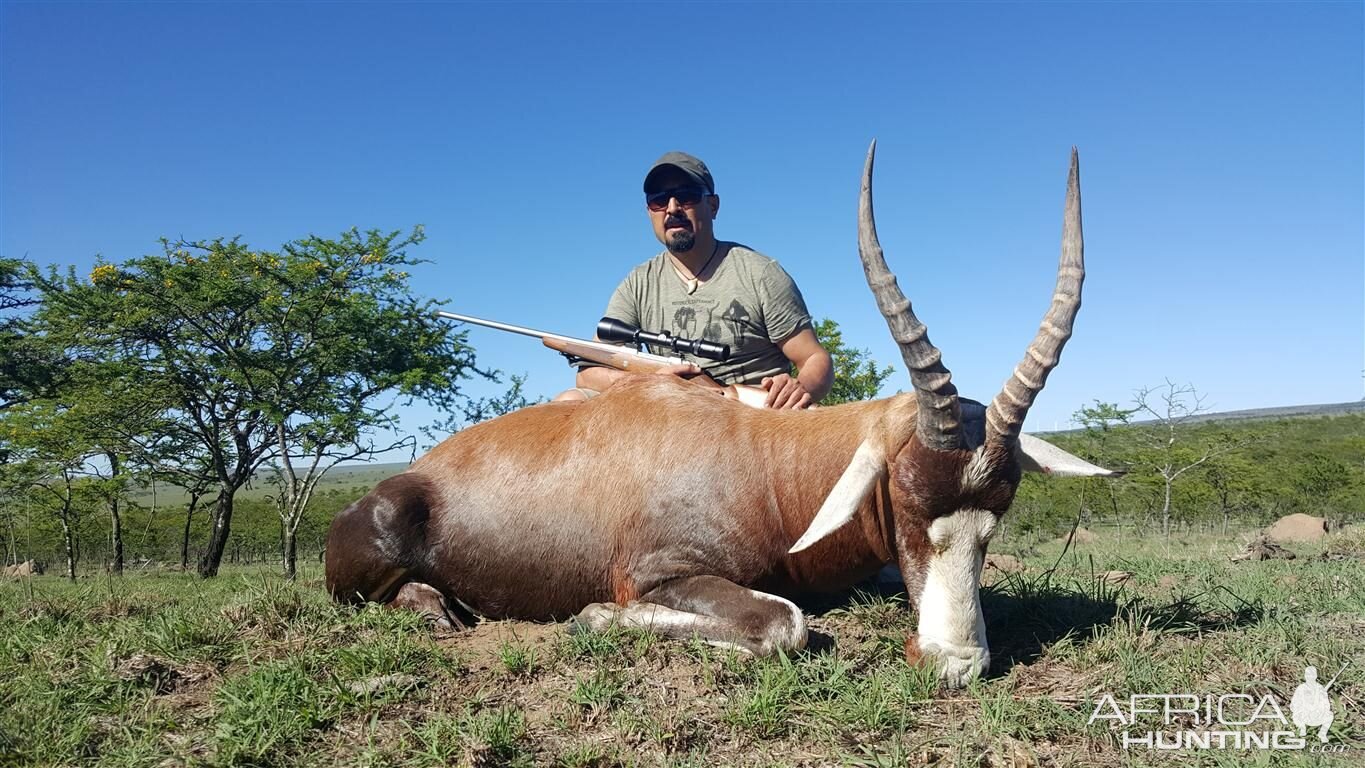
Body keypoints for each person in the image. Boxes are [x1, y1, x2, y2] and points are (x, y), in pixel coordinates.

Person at [558, 151, 833, 409]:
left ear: (712, 206)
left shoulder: (760, 273)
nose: (672, 208)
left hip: (751, 418)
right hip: (671, 416)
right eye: (659, 200)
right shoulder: (637, 284)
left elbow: (814, 358)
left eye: (687, 196)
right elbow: (587, 373)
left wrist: (798, 388)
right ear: (649, 212)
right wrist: (644, 383)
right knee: (568, 402)